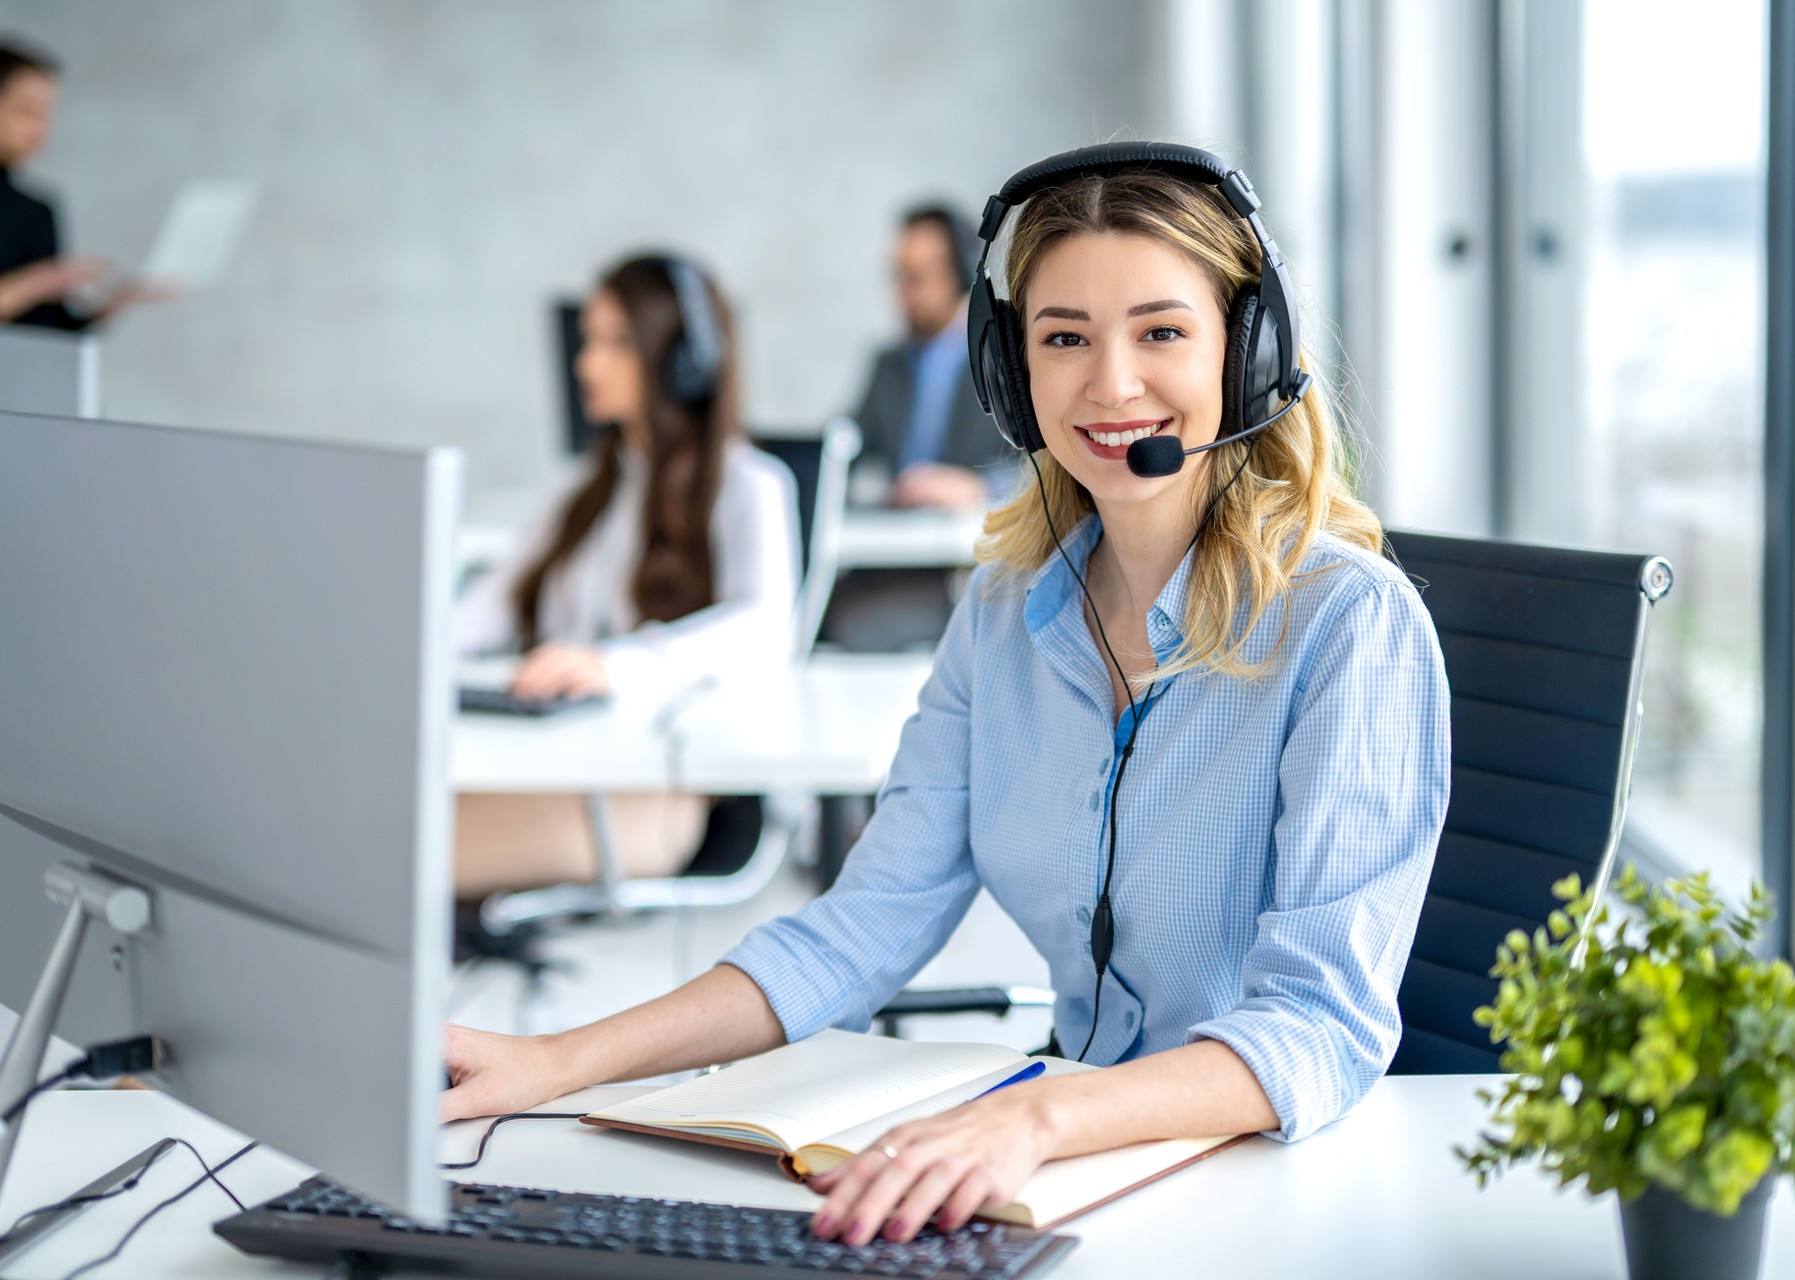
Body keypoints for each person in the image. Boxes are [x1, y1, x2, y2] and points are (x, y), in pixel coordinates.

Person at [441, 146, 1450, 1245]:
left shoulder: (1350, 623)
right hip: (1072, 1171)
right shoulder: (1004, 613)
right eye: (1063, 338)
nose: (1109, 384)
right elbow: (859, 927)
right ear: (1012, 374)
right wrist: (550, 1060)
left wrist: (1038, 1113)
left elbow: (1320, 1025)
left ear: (1246, 355)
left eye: (1162, 331)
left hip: (1272, 1185)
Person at [450, 254, 799, 896]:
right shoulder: (584, 488)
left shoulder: (750, 486)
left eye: (616, 343)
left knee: (403, 849)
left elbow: (763, 629)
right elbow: (486, 608)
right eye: (587, 341)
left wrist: (617, 666)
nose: (586, 364)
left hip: (654, 790)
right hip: (549, 767)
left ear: (681, 361)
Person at [0, 39, 161, 329]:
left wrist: (110, 306)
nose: (41, 128)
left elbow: (51, 330)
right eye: (28, 110)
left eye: (47, 114)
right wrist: (32, 285)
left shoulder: (41, 210)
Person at [851, 205, 1011, 510]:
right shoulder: (888, 365)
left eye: (915, 279)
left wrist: (981, 487)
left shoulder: (1004, 360)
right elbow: (846, 448)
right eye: (897, 276)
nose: (900, 294)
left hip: (973, 542)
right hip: (892, 542)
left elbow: (1047, 466)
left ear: (959, 278)